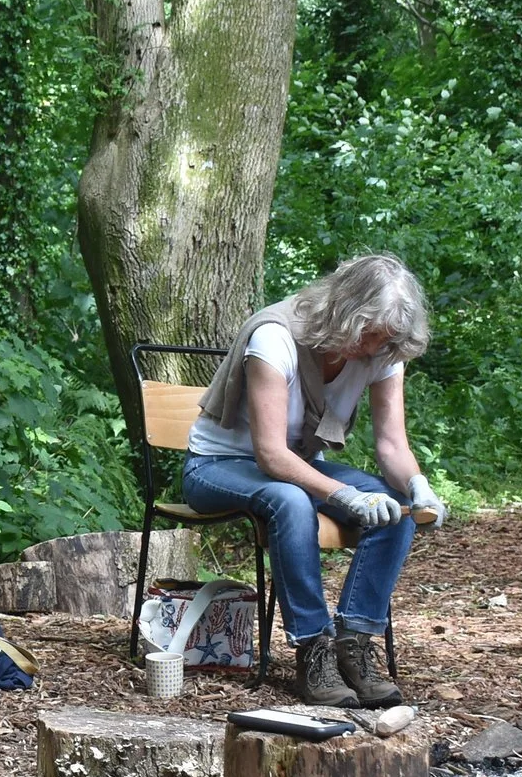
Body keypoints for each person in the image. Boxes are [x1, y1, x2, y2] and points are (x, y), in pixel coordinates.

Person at [179, 254, 444, 706]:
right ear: (345, 311)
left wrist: (418, 486)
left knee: (395, 508)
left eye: (387, 336)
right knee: (291, 502)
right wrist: (345, 495)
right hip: (219, 466)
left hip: (298, 468)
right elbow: (271, 455)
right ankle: (312, 649)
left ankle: (354, 643)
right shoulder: (274, 337)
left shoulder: (383, 352)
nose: (376, 344)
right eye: (370, 331)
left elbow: (392, 446)